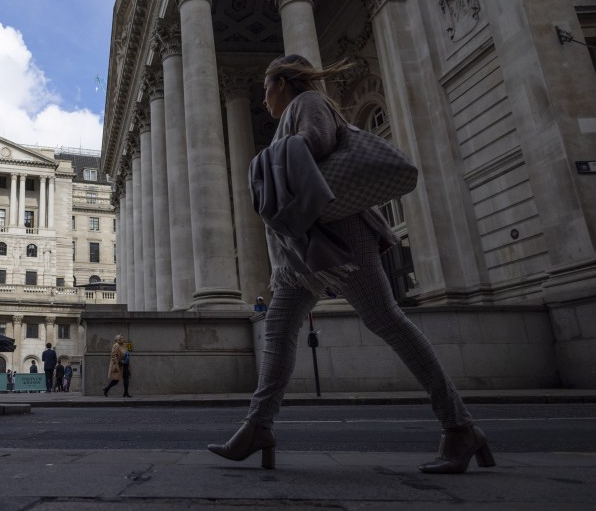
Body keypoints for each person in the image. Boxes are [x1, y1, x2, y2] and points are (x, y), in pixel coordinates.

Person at [208, 54, 494, 475]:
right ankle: (258, 426)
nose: (264, 97)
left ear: (283, 83)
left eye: (267, 87)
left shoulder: (307, 104)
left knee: (386, 320)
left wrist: (267, 164)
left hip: (341, 235)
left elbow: (316, 142)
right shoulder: (294, 109)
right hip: (305, 246)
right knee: (280, 328)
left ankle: (459, 426)